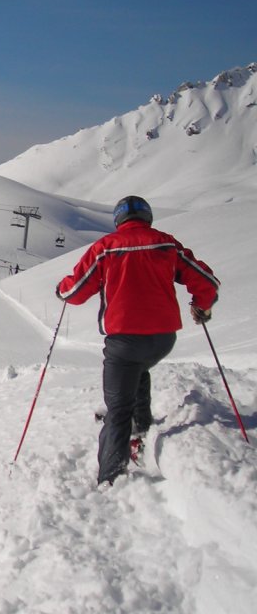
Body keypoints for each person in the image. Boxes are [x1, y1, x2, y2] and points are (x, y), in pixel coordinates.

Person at [56, 195, 219, 486]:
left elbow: (77, 291)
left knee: (117, 409)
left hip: (124, 340)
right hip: (163, 339)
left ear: (118, 220)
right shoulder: (167, 244)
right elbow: (206, 281)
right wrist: (201, 305)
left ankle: (110, 479)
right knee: (139, 369)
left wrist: (62, 289)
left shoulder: (105, 248)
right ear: (148, 218)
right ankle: (141, 429)